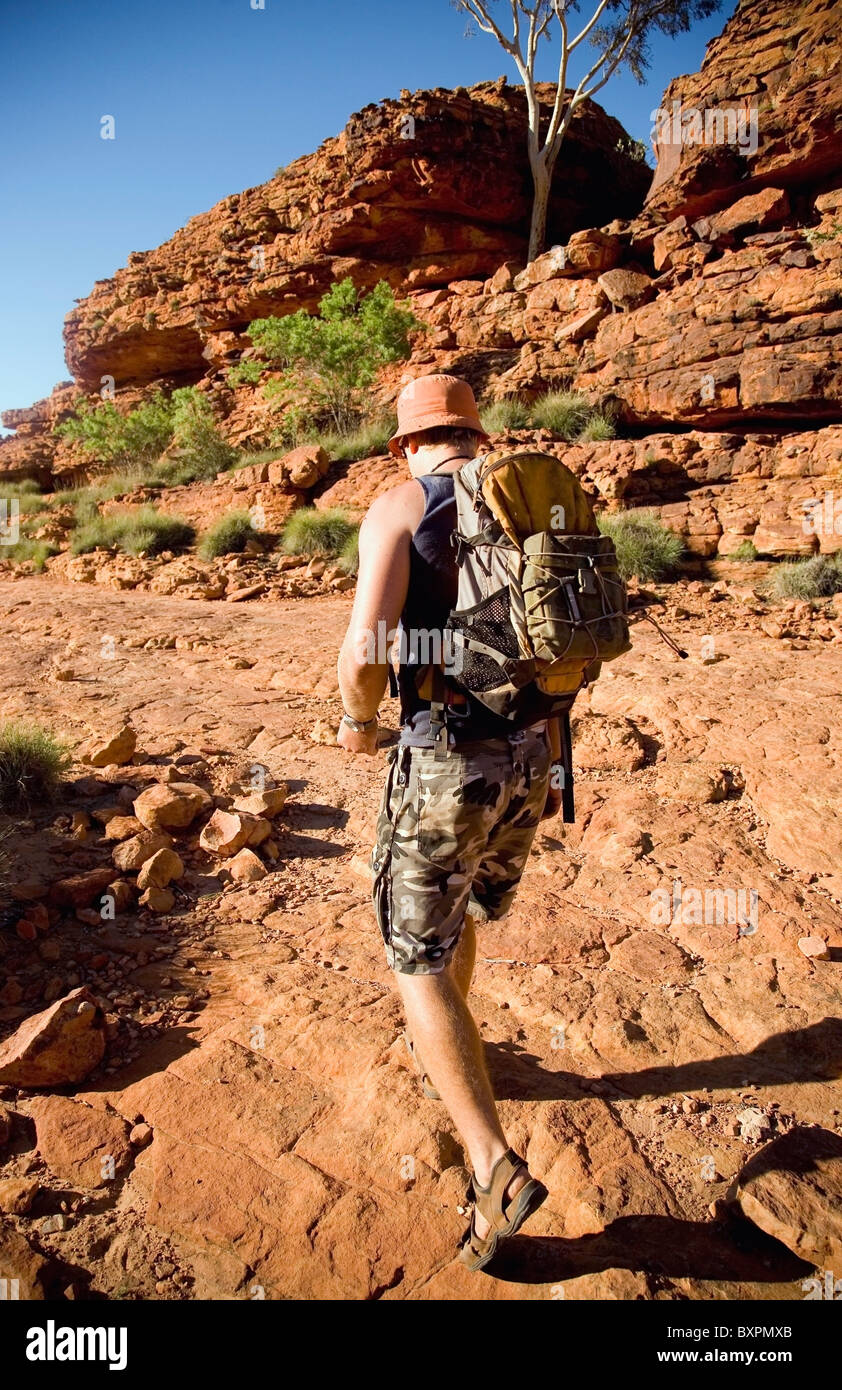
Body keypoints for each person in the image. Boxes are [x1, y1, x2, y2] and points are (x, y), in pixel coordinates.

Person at [336, 373, 562, 1271]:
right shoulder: (531, 493)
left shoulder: (400, 504)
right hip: (535, 758)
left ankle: (493, 1165)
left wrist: (358, 722)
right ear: (476, 430)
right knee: (463, 909)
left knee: (414, 963)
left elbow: (367, 646)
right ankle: (459, 1042)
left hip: (445, 761)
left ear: (405, 444)